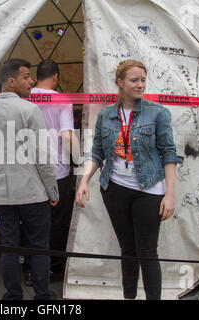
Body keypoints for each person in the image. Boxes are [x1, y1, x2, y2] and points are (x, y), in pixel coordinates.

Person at [76, 59, 183, 300]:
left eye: (143, 80)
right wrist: (84, 180)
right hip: (114, 189)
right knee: (127, 249)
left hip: (149, 190)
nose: (140, 85)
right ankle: (129, 297)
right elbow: (97, 152)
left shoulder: (158, 113)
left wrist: (169, 194)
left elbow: (169, 154)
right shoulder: (106, 115)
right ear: (120, 83)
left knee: (147, 251)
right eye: (134, 80)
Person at [0, 58, 59, 300]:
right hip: (32, 192)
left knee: (9, 245)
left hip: (0, 192)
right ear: (11, 81)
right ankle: (42, 296)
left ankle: (13, 296)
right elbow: (42, 156)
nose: (31, 82)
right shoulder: (29, 110)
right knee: (39, 246)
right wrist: (53, 190)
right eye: (26, 77)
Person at [27, 59, 80, 281]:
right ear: (56, 77)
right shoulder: (62, 101)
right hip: (57, 171)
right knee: (56, 222)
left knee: (32, 222)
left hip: (29, 171)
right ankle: (52, 268)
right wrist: (80, 162)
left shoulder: (25, 98)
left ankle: (30, 267)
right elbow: (67, 136)